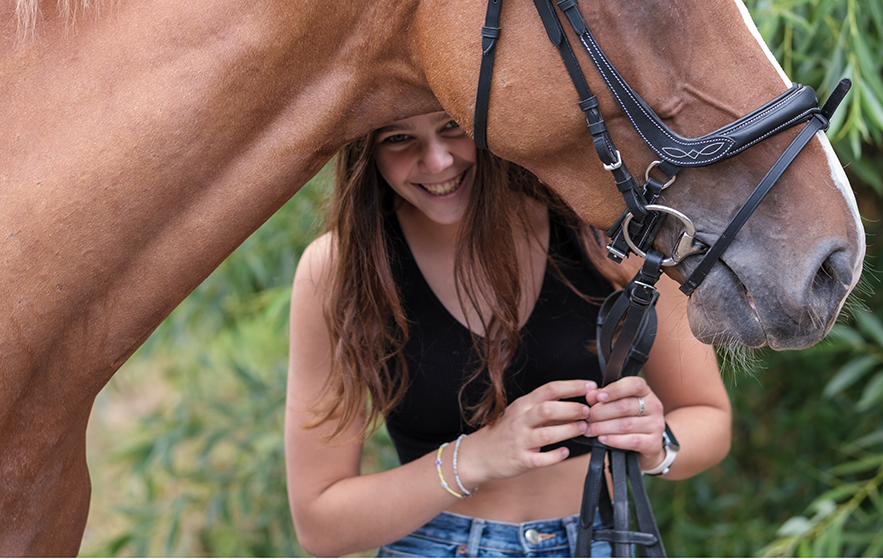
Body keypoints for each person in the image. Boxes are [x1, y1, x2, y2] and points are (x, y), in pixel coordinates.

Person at [285, 111, 731, 558]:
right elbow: (320, 525)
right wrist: (476, 457)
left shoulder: (603, 230)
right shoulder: (341, 270)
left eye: (452, 127)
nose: (437, 161)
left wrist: (657, 445)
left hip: (598, 541)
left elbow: (708, 417)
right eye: (399, 138)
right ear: (366, 153)